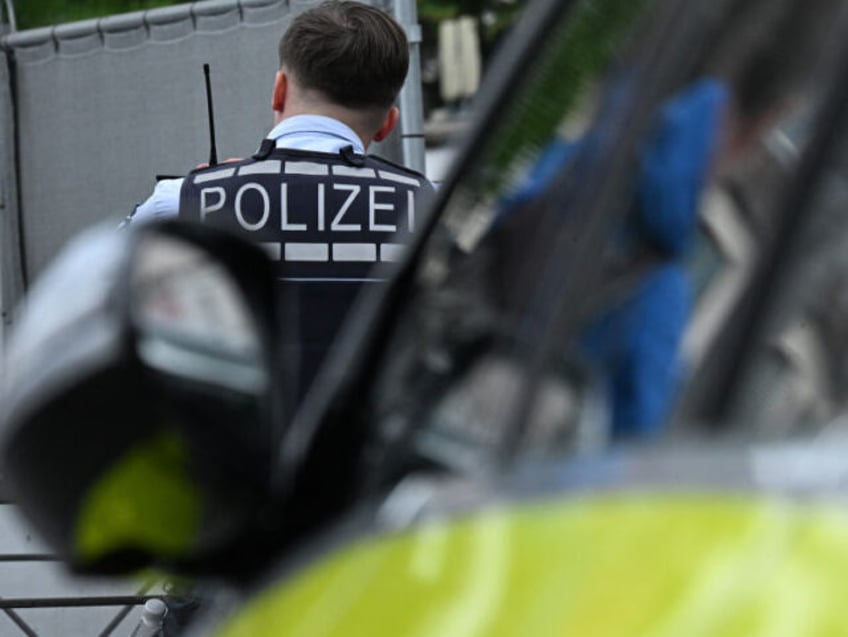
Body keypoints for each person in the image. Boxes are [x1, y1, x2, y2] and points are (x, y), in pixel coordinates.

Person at [131, 0, 434, 403]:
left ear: (279, 91)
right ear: (388, 124)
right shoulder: (428, 209)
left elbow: (103, 307)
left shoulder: (182, 201)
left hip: (233, 452)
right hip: (368, 455)